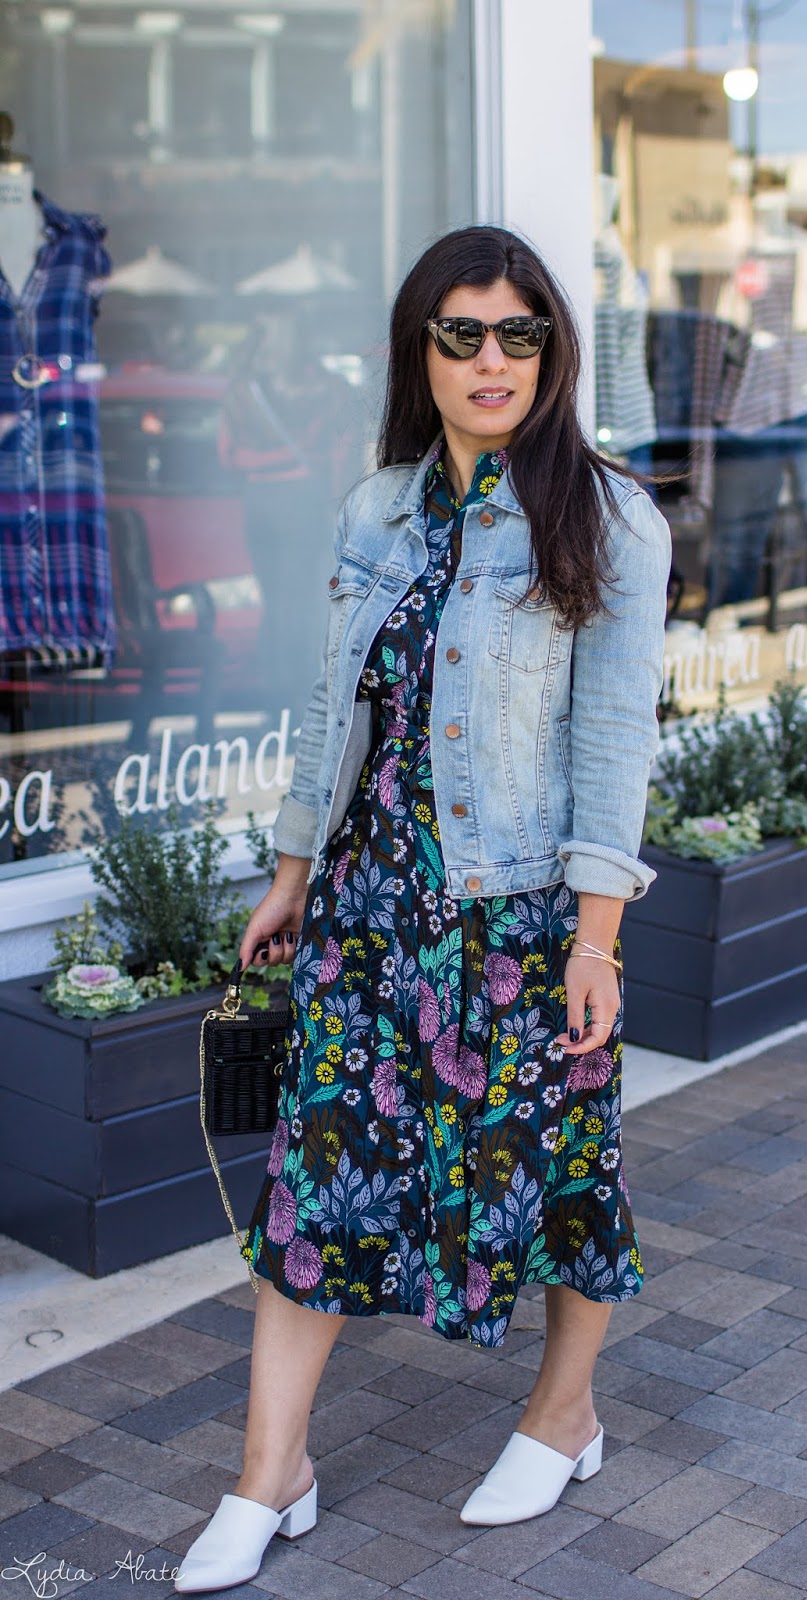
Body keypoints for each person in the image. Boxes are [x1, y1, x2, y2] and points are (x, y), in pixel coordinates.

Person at [174, 224, 672, 1594]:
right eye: (462, 334)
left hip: (521, 924)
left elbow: (612, 745)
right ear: (421, 353)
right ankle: (268, 1474)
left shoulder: (610, 518)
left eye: (518, 333)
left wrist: (594, 941)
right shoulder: (375, 511)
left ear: (552, 351)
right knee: (313, 1184)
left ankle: (563, 1417)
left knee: (558, 1173)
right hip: (368, 913)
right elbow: (329, 712)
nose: (490, 359)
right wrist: (291, 873)